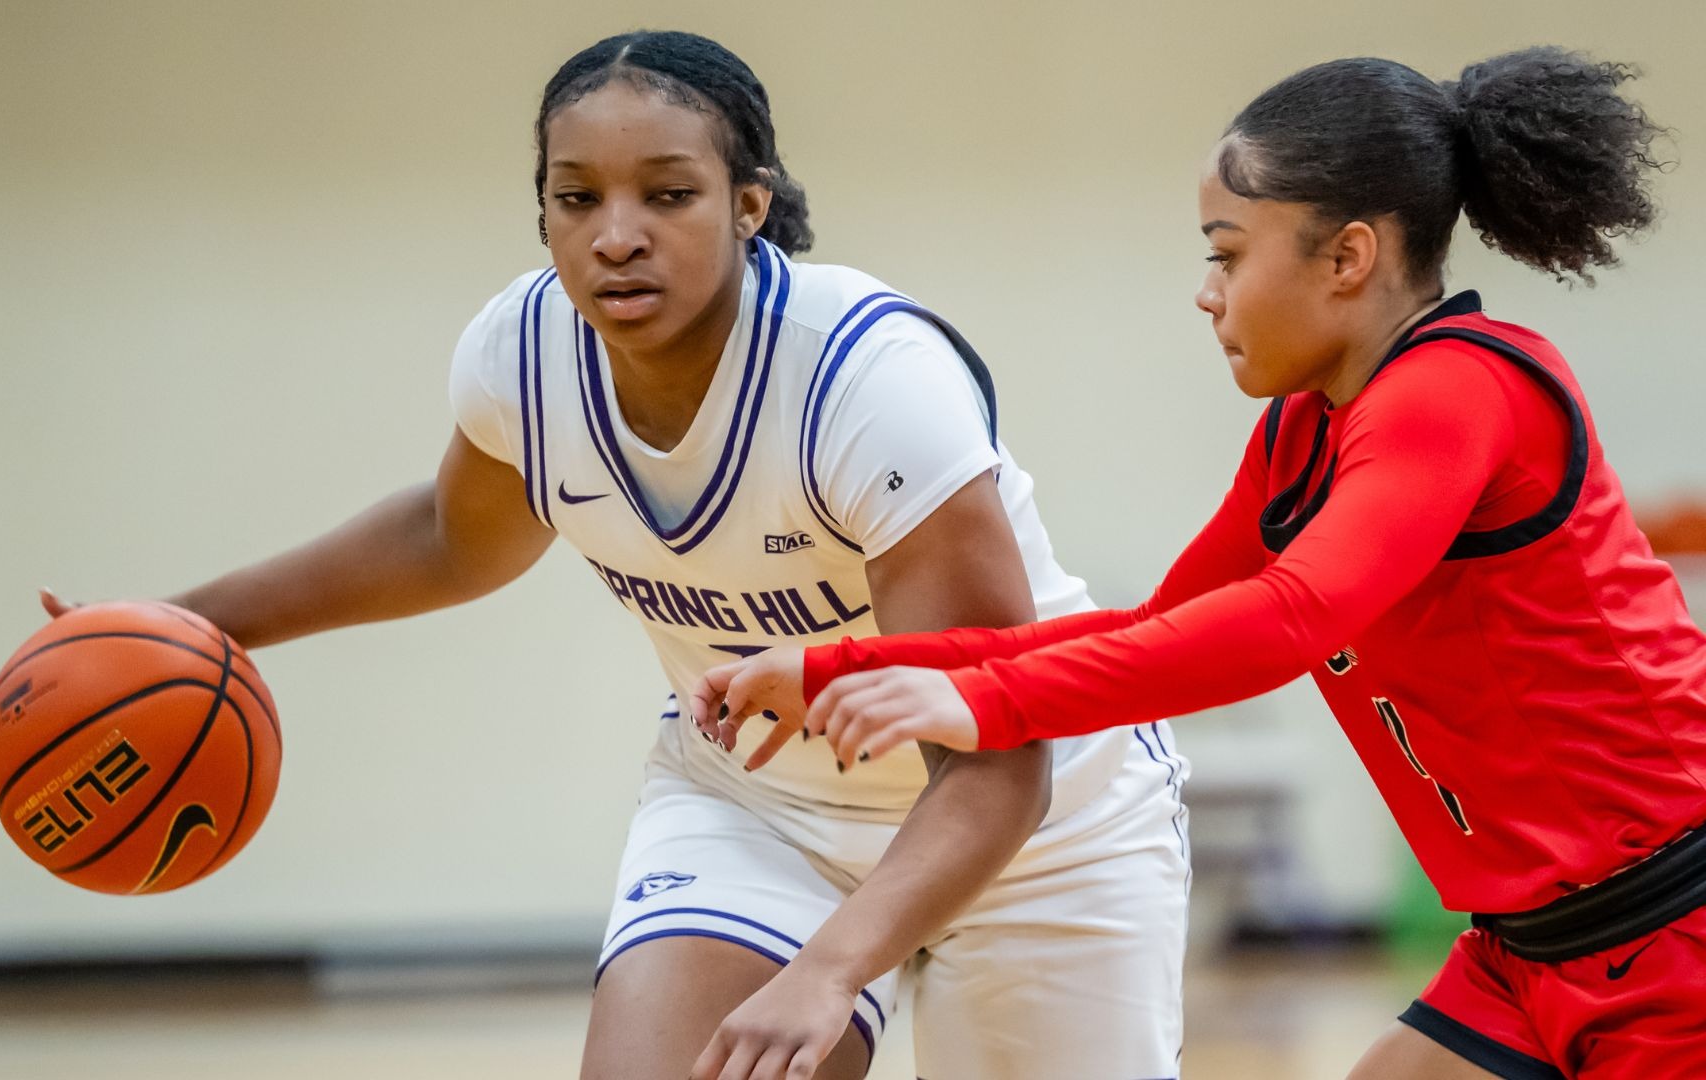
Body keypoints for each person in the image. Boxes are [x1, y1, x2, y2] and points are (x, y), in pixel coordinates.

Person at [48, 30, 1188, 1080]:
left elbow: (996, 758)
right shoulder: (524, 353)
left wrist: (834, 966)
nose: (615, 233)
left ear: (749, 204)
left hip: (1044, 816)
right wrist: (181, 630)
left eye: (668, 194)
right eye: (575, 197)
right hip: (764, 803)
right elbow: (447, 539)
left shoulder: (866, 381)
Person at [695, 46, 1704, 1080]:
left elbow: (1286, 620)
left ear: (1347, 257)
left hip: (1675, 930)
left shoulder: (1457, 391)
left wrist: (982, 706)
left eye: (1226, 254)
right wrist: (838, 671)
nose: (1207, 293)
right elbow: (1153, 629)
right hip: (1528, 952)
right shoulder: (1301, 435)